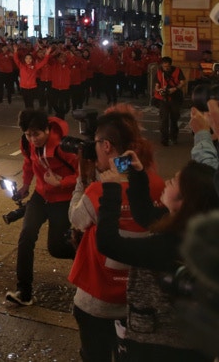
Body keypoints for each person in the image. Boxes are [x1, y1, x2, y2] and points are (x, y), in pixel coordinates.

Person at [96, 155, 219, 360]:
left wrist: (110, 191)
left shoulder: (171, 247)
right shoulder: (195, 229)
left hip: (159, 347)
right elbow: (145, 214)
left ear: (185, 201)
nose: (168, 180)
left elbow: (108, 243)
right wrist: (137, 174)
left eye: (173, 181)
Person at [68, 105, 165, 362]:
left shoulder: (98, 192)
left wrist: (82, 180)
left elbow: (76, 220)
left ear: (107, 146)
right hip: (138, 300)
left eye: (97, 143)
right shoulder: (156, 184)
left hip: (97, 300)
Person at [5, 109, 79, 307]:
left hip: (62, 199)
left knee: (56, 247)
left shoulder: (64, 147)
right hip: (40, 196)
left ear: (47, 129)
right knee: (26, 236)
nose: (32, 139)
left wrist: (61, 183)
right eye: (28, 134)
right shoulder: (26, 143)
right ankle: (24, 292)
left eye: (36, 134)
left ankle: (87, 264)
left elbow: (83, 175)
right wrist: (25, 186)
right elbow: (29, 164)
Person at [153, 56, 186, 146]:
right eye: (164, 66)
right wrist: (159, 90)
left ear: (170, 65)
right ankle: (164, 139)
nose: (165, 68)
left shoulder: (177, 71)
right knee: (164, 119)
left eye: (167, 66)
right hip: (163, 99)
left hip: (175, 98)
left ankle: (173, 137)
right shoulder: (159, 72)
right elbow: (156, 84)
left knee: (174, 119)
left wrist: (175, 89)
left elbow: (182, 82)